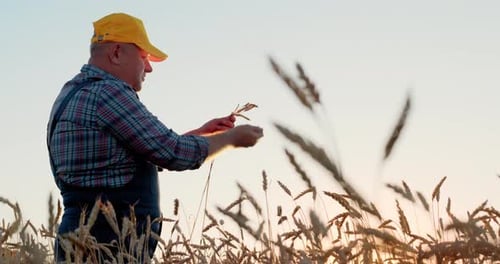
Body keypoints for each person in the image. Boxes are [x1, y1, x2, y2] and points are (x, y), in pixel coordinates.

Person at [46, 12, 263, 262]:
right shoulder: (108, 93)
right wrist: (233, 139)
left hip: (80, 241)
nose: (148, 67)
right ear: (116, 53)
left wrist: (202, 133)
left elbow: (131, 157)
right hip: (109, 246)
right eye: (144, 57)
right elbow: (171, 153)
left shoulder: (73, 92)